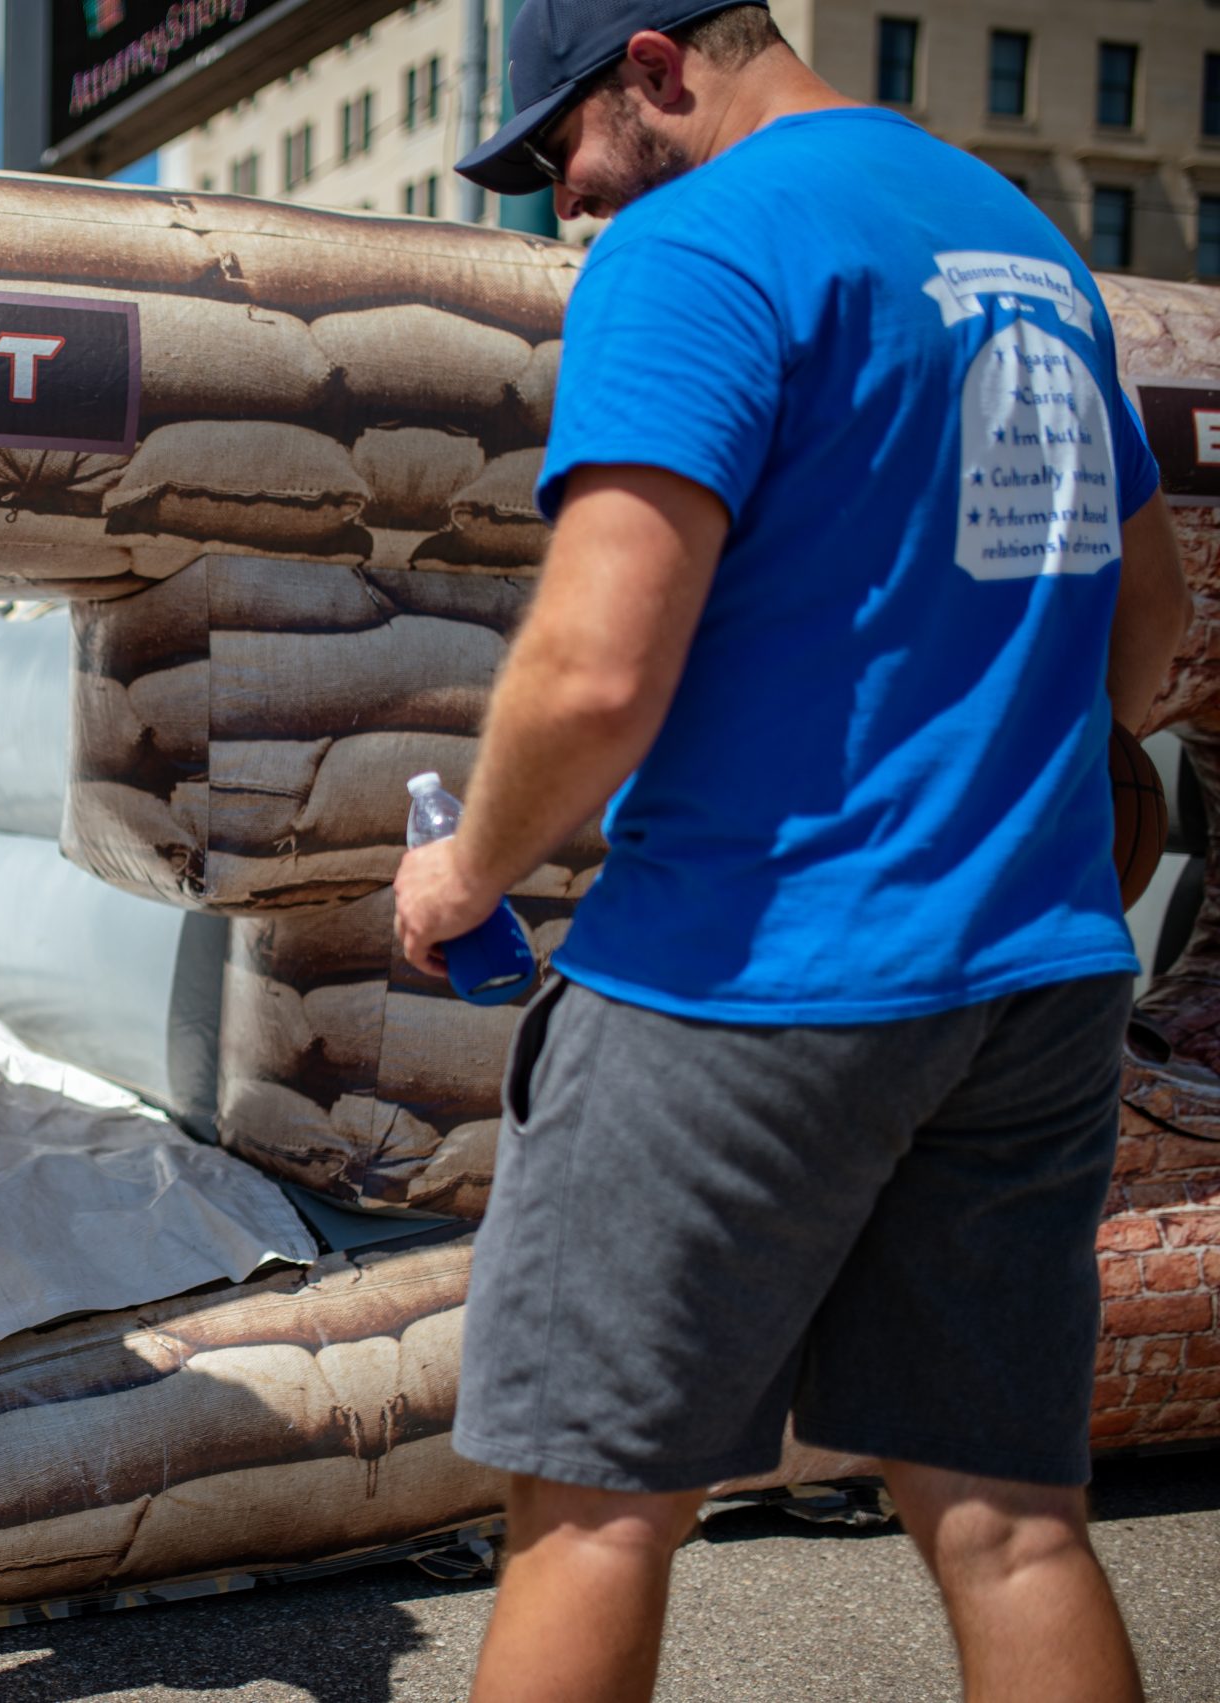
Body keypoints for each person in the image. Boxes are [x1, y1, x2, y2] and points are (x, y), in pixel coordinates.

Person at [398, 3, 1192, 1699]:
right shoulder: (1016, 239)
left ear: (654, 66)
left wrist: (465, 872)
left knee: (594, 1516)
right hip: (1036, 976)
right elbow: (1154, 617)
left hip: (745, 973)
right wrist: (1003, 771)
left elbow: (598, 669)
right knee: (1010, 1521)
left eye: (559, 151)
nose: (563, 200)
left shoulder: (698, 246)